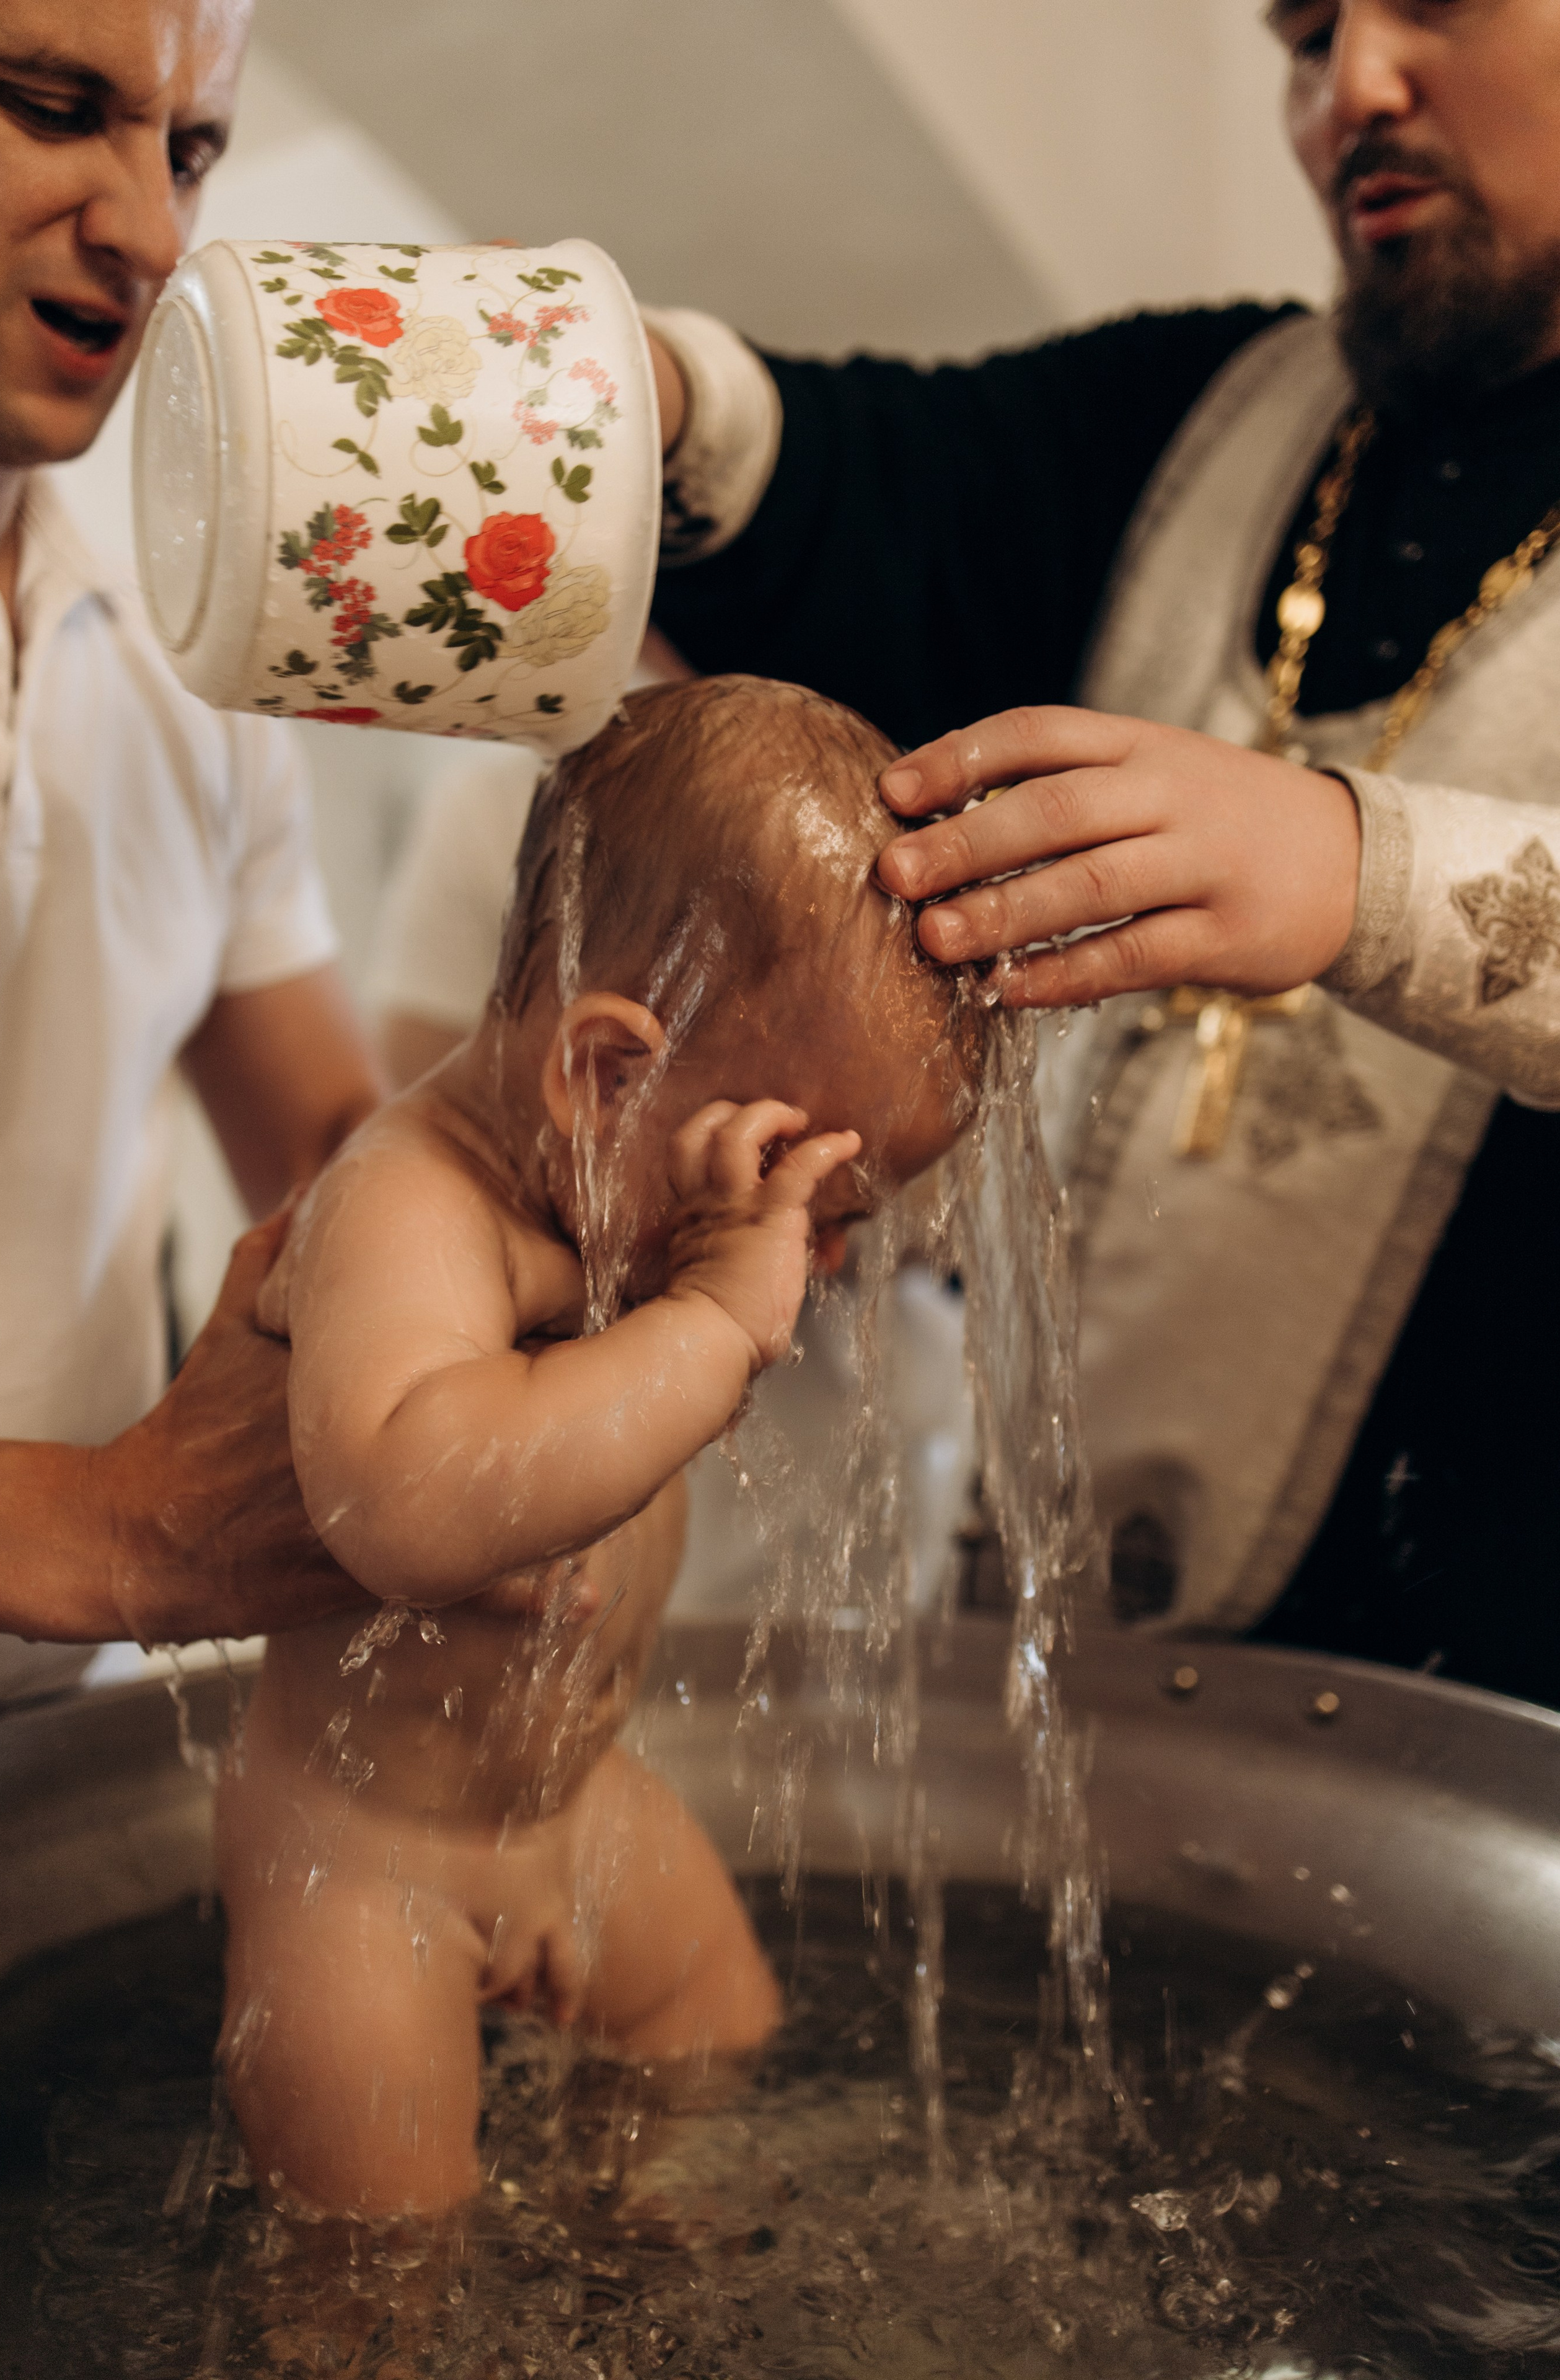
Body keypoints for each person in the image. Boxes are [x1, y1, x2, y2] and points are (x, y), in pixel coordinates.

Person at [635, 0, 1560, 1704]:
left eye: (1432, 0)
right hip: (1086, 1695)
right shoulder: (1223, 417)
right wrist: (643, 396)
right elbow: (869, 487)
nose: (1351, 85)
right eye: (1302, 33)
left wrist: (1358, 873)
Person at [215, 677, 982, 2216]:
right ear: (608, 1074)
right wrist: (705, 1318)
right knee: (380, 2263)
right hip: (367, 1868)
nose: (810, 1263)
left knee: (721, 2031)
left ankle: (627, 2281)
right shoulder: (411, 1206)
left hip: (571, 1803)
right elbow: (412, 1507)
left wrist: (704, 1272)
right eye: (801, 1195)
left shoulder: (612, 1197)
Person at [0, 0, 381, 1699]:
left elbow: (330, 1142)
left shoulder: (180, 650)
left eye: (190, 145)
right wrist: (106, 1528)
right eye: (57, 104)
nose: (149, 229)